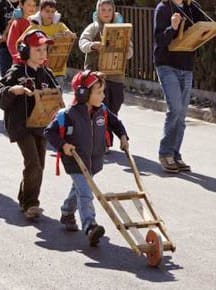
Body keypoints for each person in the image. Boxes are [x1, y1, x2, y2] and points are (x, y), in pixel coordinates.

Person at [44, 70, 129, 246]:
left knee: (79, 189)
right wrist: (63, 146)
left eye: (103, 92)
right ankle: (90, 226)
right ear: (83, 93)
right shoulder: (68, 114)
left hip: (94, 161)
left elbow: (116, 124)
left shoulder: (102, 111)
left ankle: (67, 212)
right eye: (99, 92)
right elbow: (50, 132)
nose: (103, 96)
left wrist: (123, 136)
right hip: (75, 160)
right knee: (85, 192)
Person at [0, 29, 57, 219]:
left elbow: (56, 94)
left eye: (44, 50)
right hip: (20, 125)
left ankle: (25, 196)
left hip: (40, 125)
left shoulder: (46, 73)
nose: (43, 54)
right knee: (33, 163)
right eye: (37, 50)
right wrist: (12, 90)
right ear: (25, 51)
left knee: (38, 165)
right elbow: (1, 93)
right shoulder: (16, 71)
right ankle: (31, 204)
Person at [153, 0, 205, 173]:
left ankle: (175, 154)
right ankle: (165, 153)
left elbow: (204, 26)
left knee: (182, 114)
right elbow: (159, 40)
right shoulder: (163, 8)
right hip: (166, 64)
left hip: (186, 65)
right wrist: (172, 27)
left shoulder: (192, 7)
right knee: (175, 109)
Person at [79, 0, 132, 150]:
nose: (106, 13)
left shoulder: (121, 28)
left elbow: (130, 49)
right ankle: (102, 141)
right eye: (103, 10)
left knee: (115, 106)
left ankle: (105, 138)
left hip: (116, 75)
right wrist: (93, 45)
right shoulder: (94, 27)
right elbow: (82, 43)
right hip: (97, 76)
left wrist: (125, 50)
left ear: (113, 11)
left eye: (109, 10)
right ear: (98, 11)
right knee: (101, 108)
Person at [25, 0, 76, 89]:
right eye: (47, 11)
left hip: (58, 70)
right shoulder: (34, 27)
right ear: (40, 11)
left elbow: (72, 35)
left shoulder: (60, 26)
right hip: (40, 69)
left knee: (58, 98)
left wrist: (68, 34)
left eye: (53, 11)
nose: (50, 14)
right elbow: (21, 41)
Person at [6, 0, 36, 64]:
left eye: (34, 5)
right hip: (21, 64)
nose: (32, 8)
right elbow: (11, 45)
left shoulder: (38, 23)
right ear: (22, 5)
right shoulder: (17, 23)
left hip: (36, 64)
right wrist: (20, 59)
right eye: (29, 5)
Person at [0, 0, 20, 77]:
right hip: (4, 46)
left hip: (21, 47)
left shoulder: (26, 3)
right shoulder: (2, 4)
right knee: (6, 76)